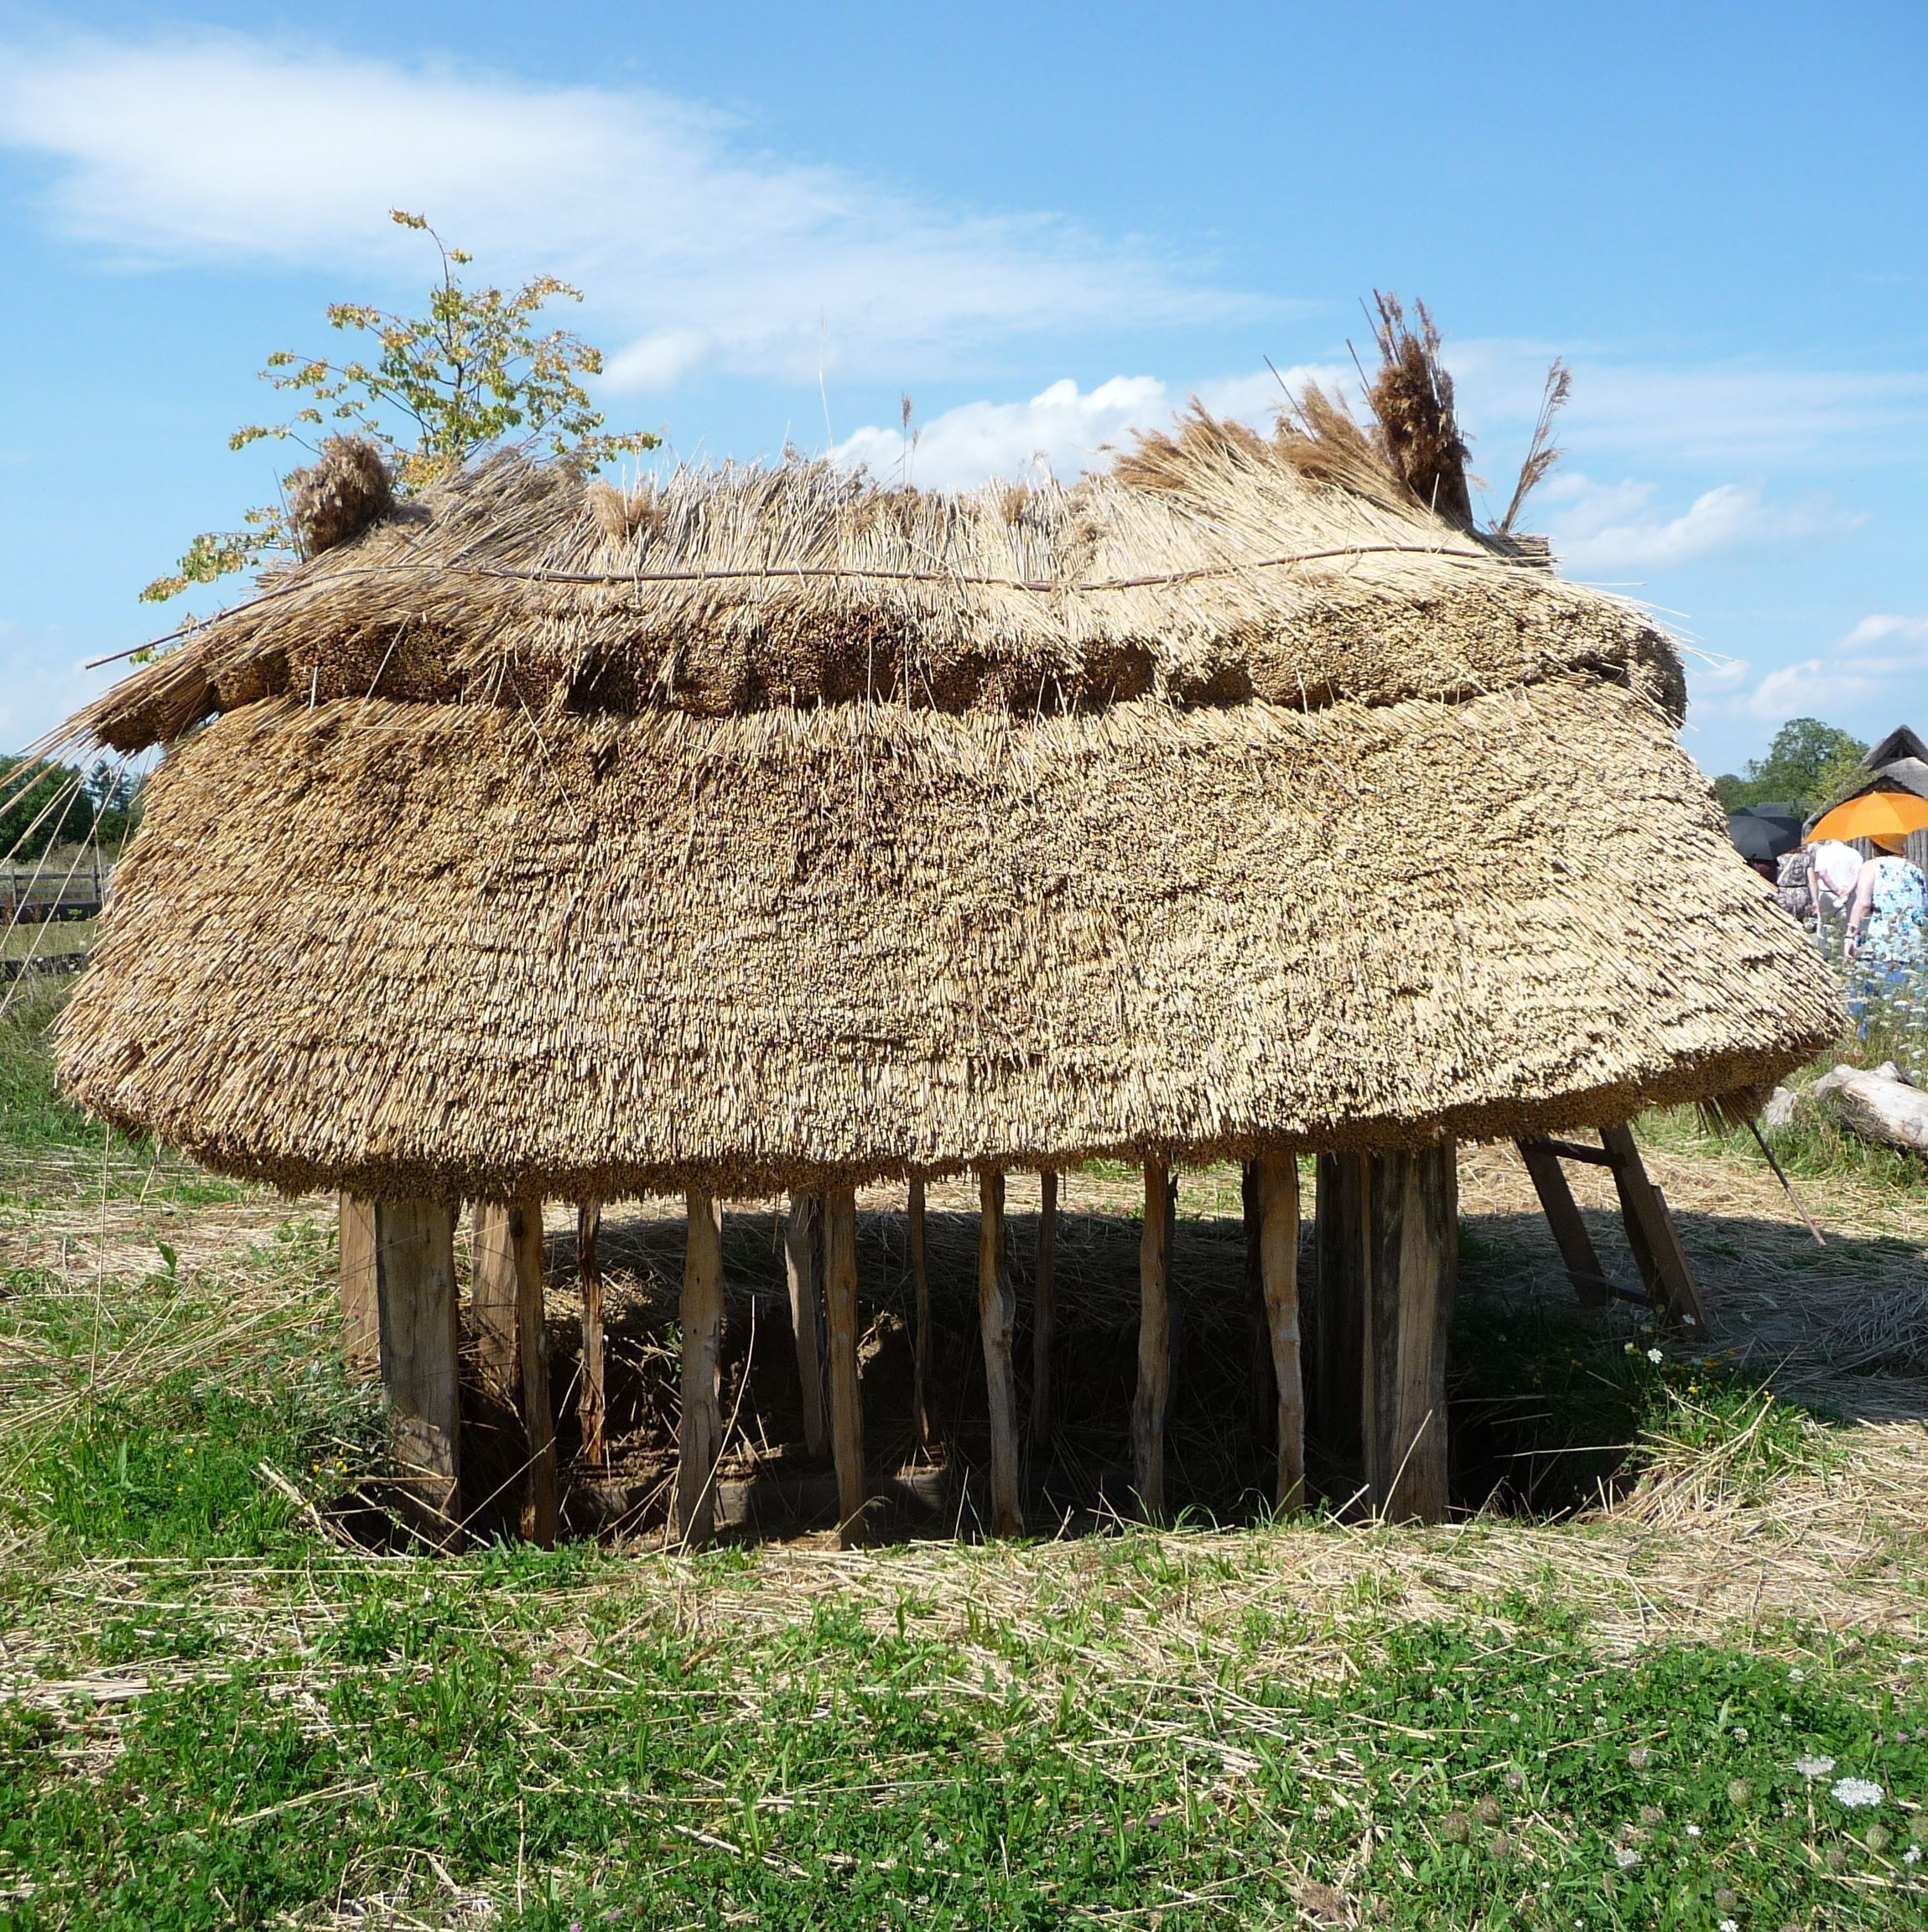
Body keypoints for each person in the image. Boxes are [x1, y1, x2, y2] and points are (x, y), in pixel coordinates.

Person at [1844, 835, 1928, 1026]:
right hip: (1913, 945)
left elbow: (1864, 903)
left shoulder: (1872, 866)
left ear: (1875, 846)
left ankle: (1866, 1045)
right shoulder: (1916, 870)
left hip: (1880, 944)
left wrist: (1850, 934)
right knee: (1909, 1010)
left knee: (1866, 1006)